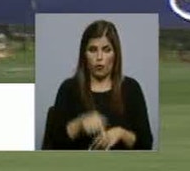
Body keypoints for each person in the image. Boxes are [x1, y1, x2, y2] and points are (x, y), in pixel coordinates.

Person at [42, 20, 153, 150]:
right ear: (84, 55)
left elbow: (146, 144)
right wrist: (79, 125)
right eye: (92, 50)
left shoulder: (131, 88)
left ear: (116, 54)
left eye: (106, 50)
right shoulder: (68, 88)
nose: (99, 57)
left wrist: (122, 134)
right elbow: (53, 145)